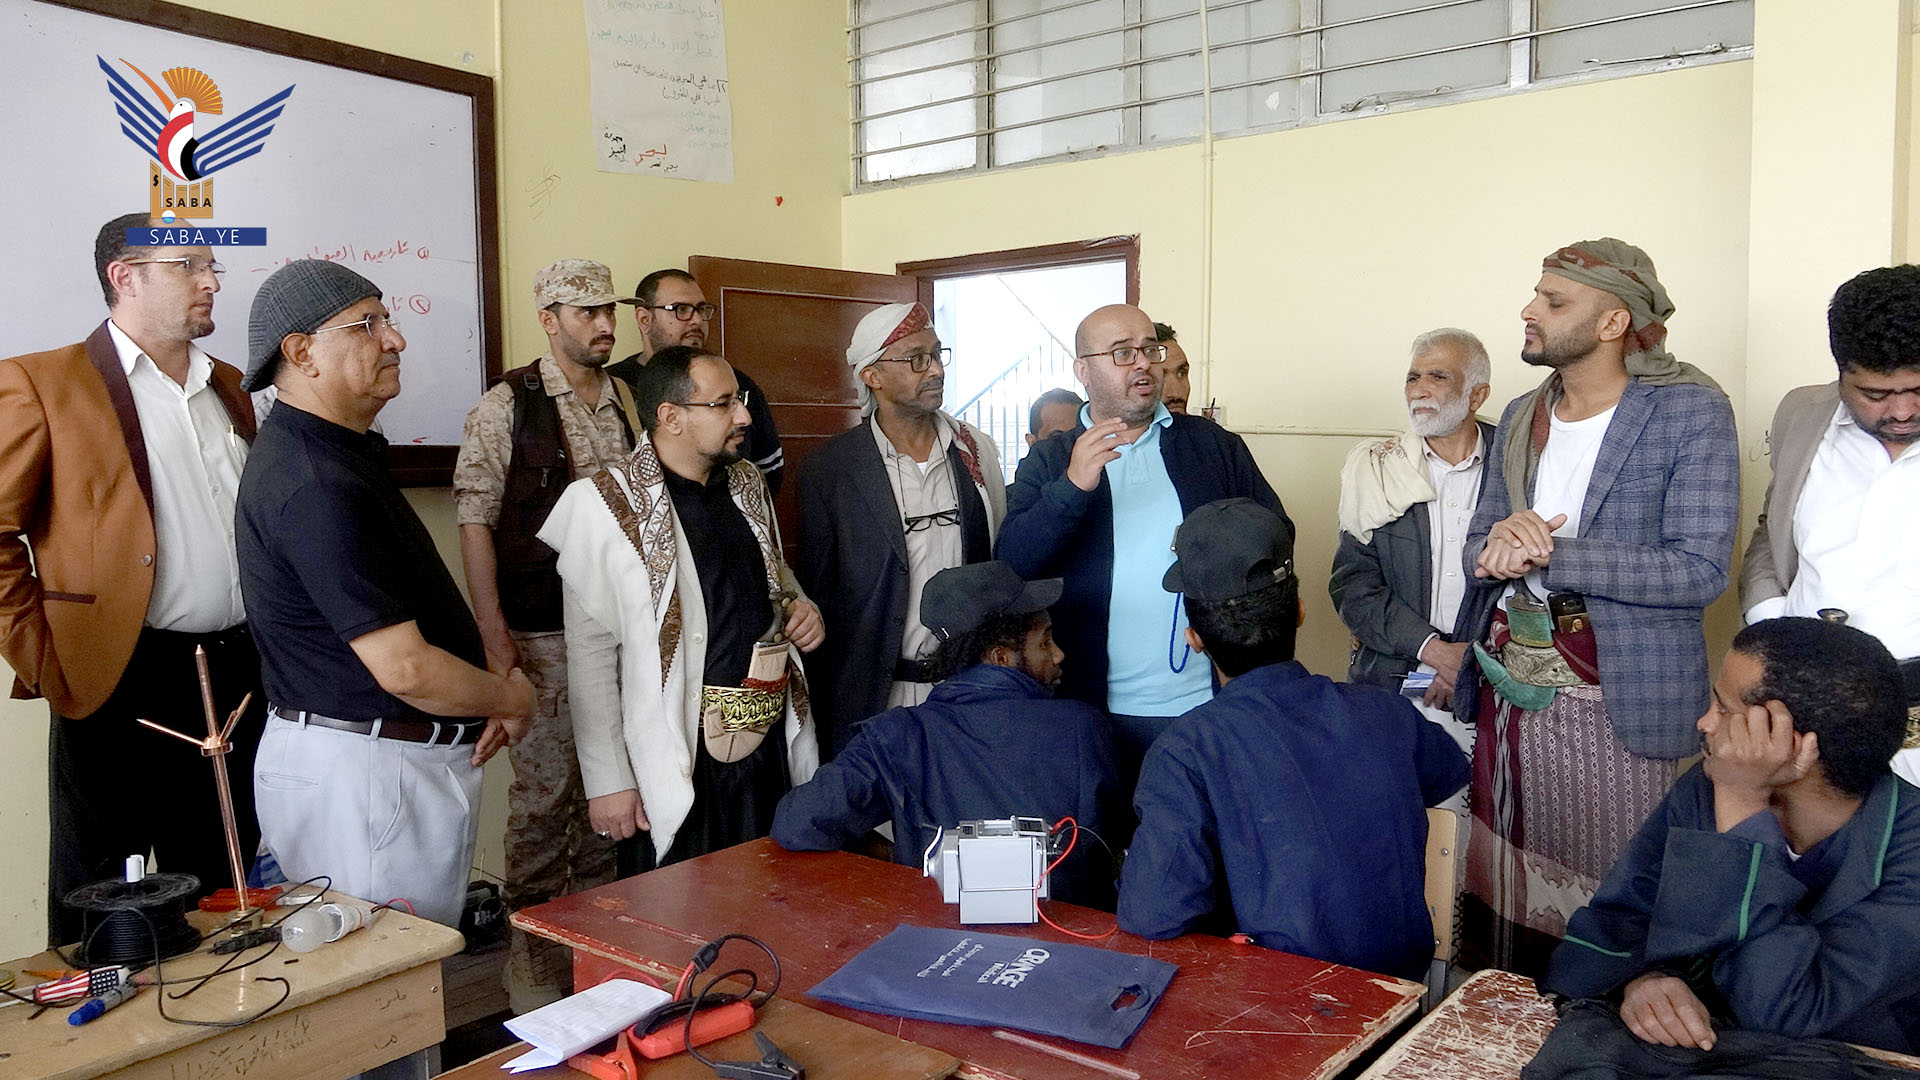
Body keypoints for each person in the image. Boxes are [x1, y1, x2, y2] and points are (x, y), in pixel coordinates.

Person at [1460, 239, 1741, 973]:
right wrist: (1503, 542)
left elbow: (1701, 568)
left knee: (1617, 892)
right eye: (1537, 294)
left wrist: (1554, 552)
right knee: (1512, 890)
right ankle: (1506, 1020)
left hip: (1620, 695)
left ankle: (1602, 1031)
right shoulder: (1525, 412)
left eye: (1555, 302)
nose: (1530, 310)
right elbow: (1474, 554)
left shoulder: (1690, 409)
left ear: (1614, 322)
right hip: (1511, 692)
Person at [237, 259, 533, 927]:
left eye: (388, 320)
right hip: (367, 780)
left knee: (397, 991)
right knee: (385, 1002)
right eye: (369, 324)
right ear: (301, 352)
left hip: (376, 769)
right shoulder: (314, 481)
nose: (395, 339)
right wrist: (512, 696)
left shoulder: (333, 454)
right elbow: (406, 669)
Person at [0, 213, 266, 945]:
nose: (212, 282)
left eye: (214, 267)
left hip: (236, 674)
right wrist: (47, 657)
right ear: (125, 276)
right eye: (189, 266)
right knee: (102, 910)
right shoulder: (42, 383)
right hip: (112, 673)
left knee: (228, 889)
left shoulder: (230, 389)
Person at [1117, 499, 1469, 979]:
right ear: (1300, 612)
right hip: (1403, 994)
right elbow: (1444, 770)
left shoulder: (1187, 751)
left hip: (1281, 1011)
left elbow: (1153, 912)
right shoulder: (1387, 713)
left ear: (1194, 637)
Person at [1541, 618, 1920, 1055]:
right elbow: (1620, 920)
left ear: (1788, 740)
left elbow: (1789, 1012)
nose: (1704, 722)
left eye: (1723, 709)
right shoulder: (1707, 789)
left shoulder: (1907, 849)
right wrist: (1642, 981)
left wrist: (1742, 808)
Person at [539, 345, 823, 874]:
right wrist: (610, 782)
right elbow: (592, 657)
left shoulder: (747, 483)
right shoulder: (601, 504)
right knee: (684, 914)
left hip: (765, 743)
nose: (745, 416)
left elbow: (771, 575)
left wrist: (801, 606)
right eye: (724, 405)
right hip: (678, 752)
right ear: (670, 417)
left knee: (773, 893)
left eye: (739, 400)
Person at [997, 303, 1286, 787]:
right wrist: (1071, 487)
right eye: (1122, 353)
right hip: (1089, 708)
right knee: (1103, 850)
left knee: (1204, 850)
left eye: (1149, 349)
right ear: (1083, 370)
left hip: (1206, 703)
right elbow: (1014, 562)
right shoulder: (1052, 458)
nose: (1143, 363)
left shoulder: (1212, 446)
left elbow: (1277, 533)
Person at [454, 260, 638, 1011]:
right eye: (584, 311)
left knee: (608, 794)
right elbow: (474, 524)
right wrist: (498, 648)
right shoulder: (506, 406)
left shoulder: (625, 397)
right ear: (549, 318)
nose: (602, 324)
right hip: (540, 636)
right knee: (543, 802)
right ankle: (531, 960)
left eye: (608, 310)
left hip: (617, 634)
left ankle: (591, 949)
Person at [771, 561, 1120, 906]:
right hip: (1064, 944)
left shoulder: (897, 735)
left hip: (936, 946)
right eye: (1045, 643)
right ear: (1000, 657)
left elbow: (796, 823)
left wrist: (891, 856)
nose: (1059, 654)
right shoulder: (1082, 727)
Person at [795, 303, 1004, 758]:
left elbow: (995, 560)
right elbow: (820, 593)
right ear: (872, 376)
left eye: (937, 354)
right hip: (874, 698)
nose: (934, 370)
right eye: (915, 359)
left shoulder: (974, 451)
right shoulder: (830, 471)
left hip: (965, 689)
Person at [1742, 265, 1920, 786]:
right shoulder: (1802, 412)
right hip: (1800, 713)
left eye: (1917, 388)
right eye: (1876, 394)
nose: (1903, 411)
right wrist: (1771, 618)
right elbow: (1769, 531)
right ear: (1840, 372)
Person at [1330, 328, 1495, 782]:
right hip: (1401, 680)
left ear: (1477, 393)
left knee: (1481, 835)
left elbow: (1529, 585)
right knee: (1397, 821)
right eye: (1412, 377)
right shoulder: (1378, 468)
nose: (1419, 389)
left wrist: (1466, 666)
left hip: (1492, 685)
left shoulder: (1517, 464)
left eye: (1437, 376)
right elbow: (1353, 587)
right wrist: (1436, 653)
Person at [607, 268, 784, 491]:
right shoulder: (611, 386)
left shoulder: (739, 384)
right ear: (644, 319)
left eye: (701, 309)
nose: (697, 320)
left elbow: (769, 472)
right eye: (680, 309)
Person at [1152, 322, 1192, 415]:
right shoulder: (1114, 428)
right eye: (1161, 376)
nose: (1177, 393)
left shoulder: (1206, 429)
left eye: (1181, 374)